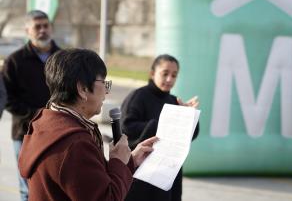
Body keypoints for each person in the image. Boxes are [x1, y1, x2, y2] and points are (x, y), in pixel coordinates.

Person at [18, 48, 158, 201]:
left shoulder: (46, 120)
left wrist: (129, 161)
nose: (106, 91)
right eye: (103, 83)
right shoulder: (74, 144)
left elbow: (90, 183)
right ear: (82, 89)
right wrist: (117, 161)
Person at [120, 54, 199, 201]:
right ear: (152, 73)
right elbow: (126, 127)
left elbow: (189, 136)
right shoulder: (138, 97)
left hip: (168, 171)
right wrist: (162, 125)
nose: (169, 79)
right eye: (165, 74)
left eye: (174, 75)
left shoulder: (174, 101)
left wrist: (189, 116)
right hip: (142, 171)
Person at [2, 10, 60, 201]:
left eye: (46, 25)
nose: (43, 30)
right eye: (38, 26)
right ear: (28, 30)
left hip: (59, 132)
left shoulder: (63, 58)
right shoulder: (15, 61)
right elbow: (6, 98)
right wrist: (36, 115)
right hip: (25, 133)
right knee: (27, 189)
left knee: (56, 188)